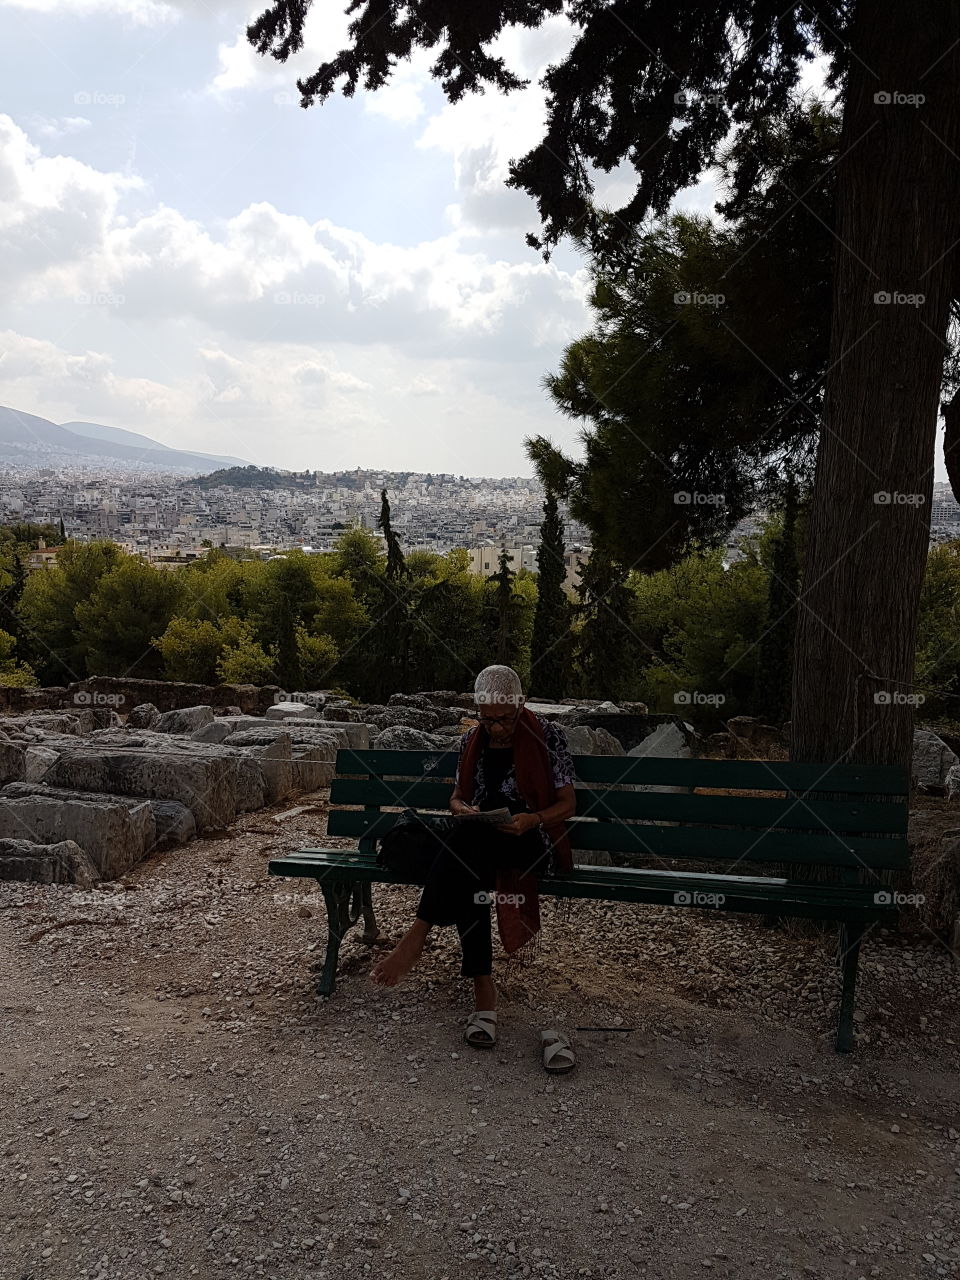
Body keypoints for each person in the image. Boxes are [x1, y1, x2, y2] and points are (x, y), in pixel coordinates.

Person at [370, 665, 577, 1048]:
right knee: (471, 862)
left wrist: (532, 818)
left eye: (505, 719)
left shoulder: (548, 736)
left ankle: (419, 939)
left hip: (530, 837)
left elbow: (567, 804)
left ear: (521, 703)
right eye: (488, 719)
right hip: (479, 837)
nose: (496, 728)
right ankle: (483, 986)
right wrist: (463, 810)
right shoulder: (471, 740)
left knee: (464, 850)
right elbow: (456, 799)